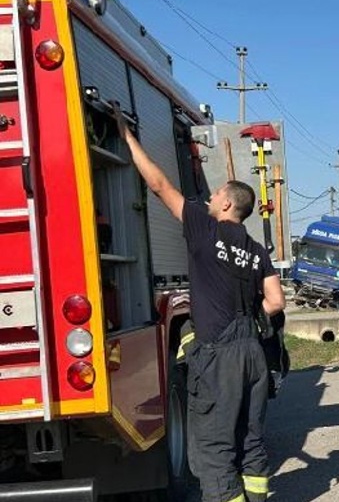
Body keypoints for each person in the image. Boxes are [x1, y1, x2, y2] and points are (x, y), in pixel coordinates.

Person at [114, 104, 285, 502]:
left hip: (220, 356)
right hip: (253, 356)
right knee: (251, 439)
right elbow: (275, 302)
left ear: (227, 205)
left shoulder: (205, 229)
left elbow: (159, 185)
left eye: (217, 194)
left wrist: (126, 139)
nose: (210, 198)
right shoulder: (257, 251)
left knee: (213, 447)